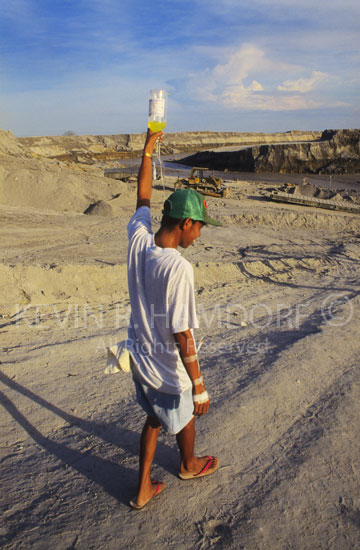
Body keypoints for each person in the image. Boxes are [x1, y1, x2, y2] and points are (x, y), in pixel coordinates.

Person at [127, 129, 221, 510]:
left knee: (152, 418)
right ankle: (188, 464)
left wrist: (148, 153)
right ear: (184, 222)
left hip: (140, 360)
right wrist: (198, 385)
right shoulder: (178, 269)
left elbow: (143, 196)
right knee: (185, 415)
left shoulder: (138, 240)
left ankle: (143, 487)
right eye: (199, 226)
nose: (199, 234)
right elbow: (183, 333)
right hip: (167, 368)